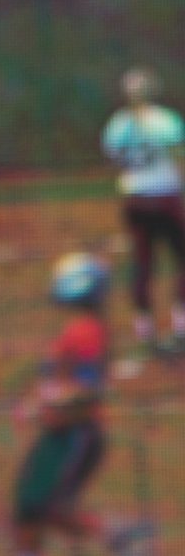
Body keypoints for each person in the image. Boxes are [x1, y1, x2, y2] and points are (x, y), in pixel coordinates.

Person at [11, 253, 151, 556]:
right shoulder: (81, 327)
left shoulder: (86, 330)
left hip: (74, 433)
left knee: (44, 505)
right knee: (29, 503)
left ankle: (116, 536)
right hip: (59, 431)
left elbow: (88, 388)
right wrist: (40, 400)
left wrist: (48, 402)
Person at [100, 67, 185, 352]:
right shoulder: (165, 120)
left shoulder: (118, 123)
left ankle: (144, 327)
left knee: (142, 261)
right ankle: (180, 324)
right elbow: (177, 152)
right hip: (165, 196)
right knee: (180, 258)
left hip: (135, 196)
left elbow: (113, 158)